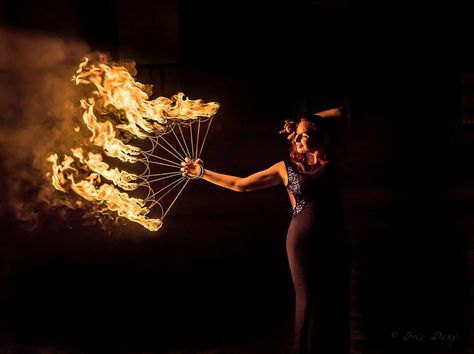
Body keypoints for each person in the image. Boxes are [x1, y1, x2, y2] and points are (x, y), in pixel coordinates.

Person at [181, 107, 353, 354]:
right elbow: (241, 185)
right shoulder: (285, 168)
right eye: (295, 135)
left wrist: (300, 122)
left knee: (336, 296)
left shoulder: (335, 155)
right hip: (302, 243)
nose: (295, 138)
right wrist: (202, 173)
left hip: (336, 240)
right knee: (308, 299)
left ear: (319, 135)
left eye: (302, 135)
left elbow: (340, 112)